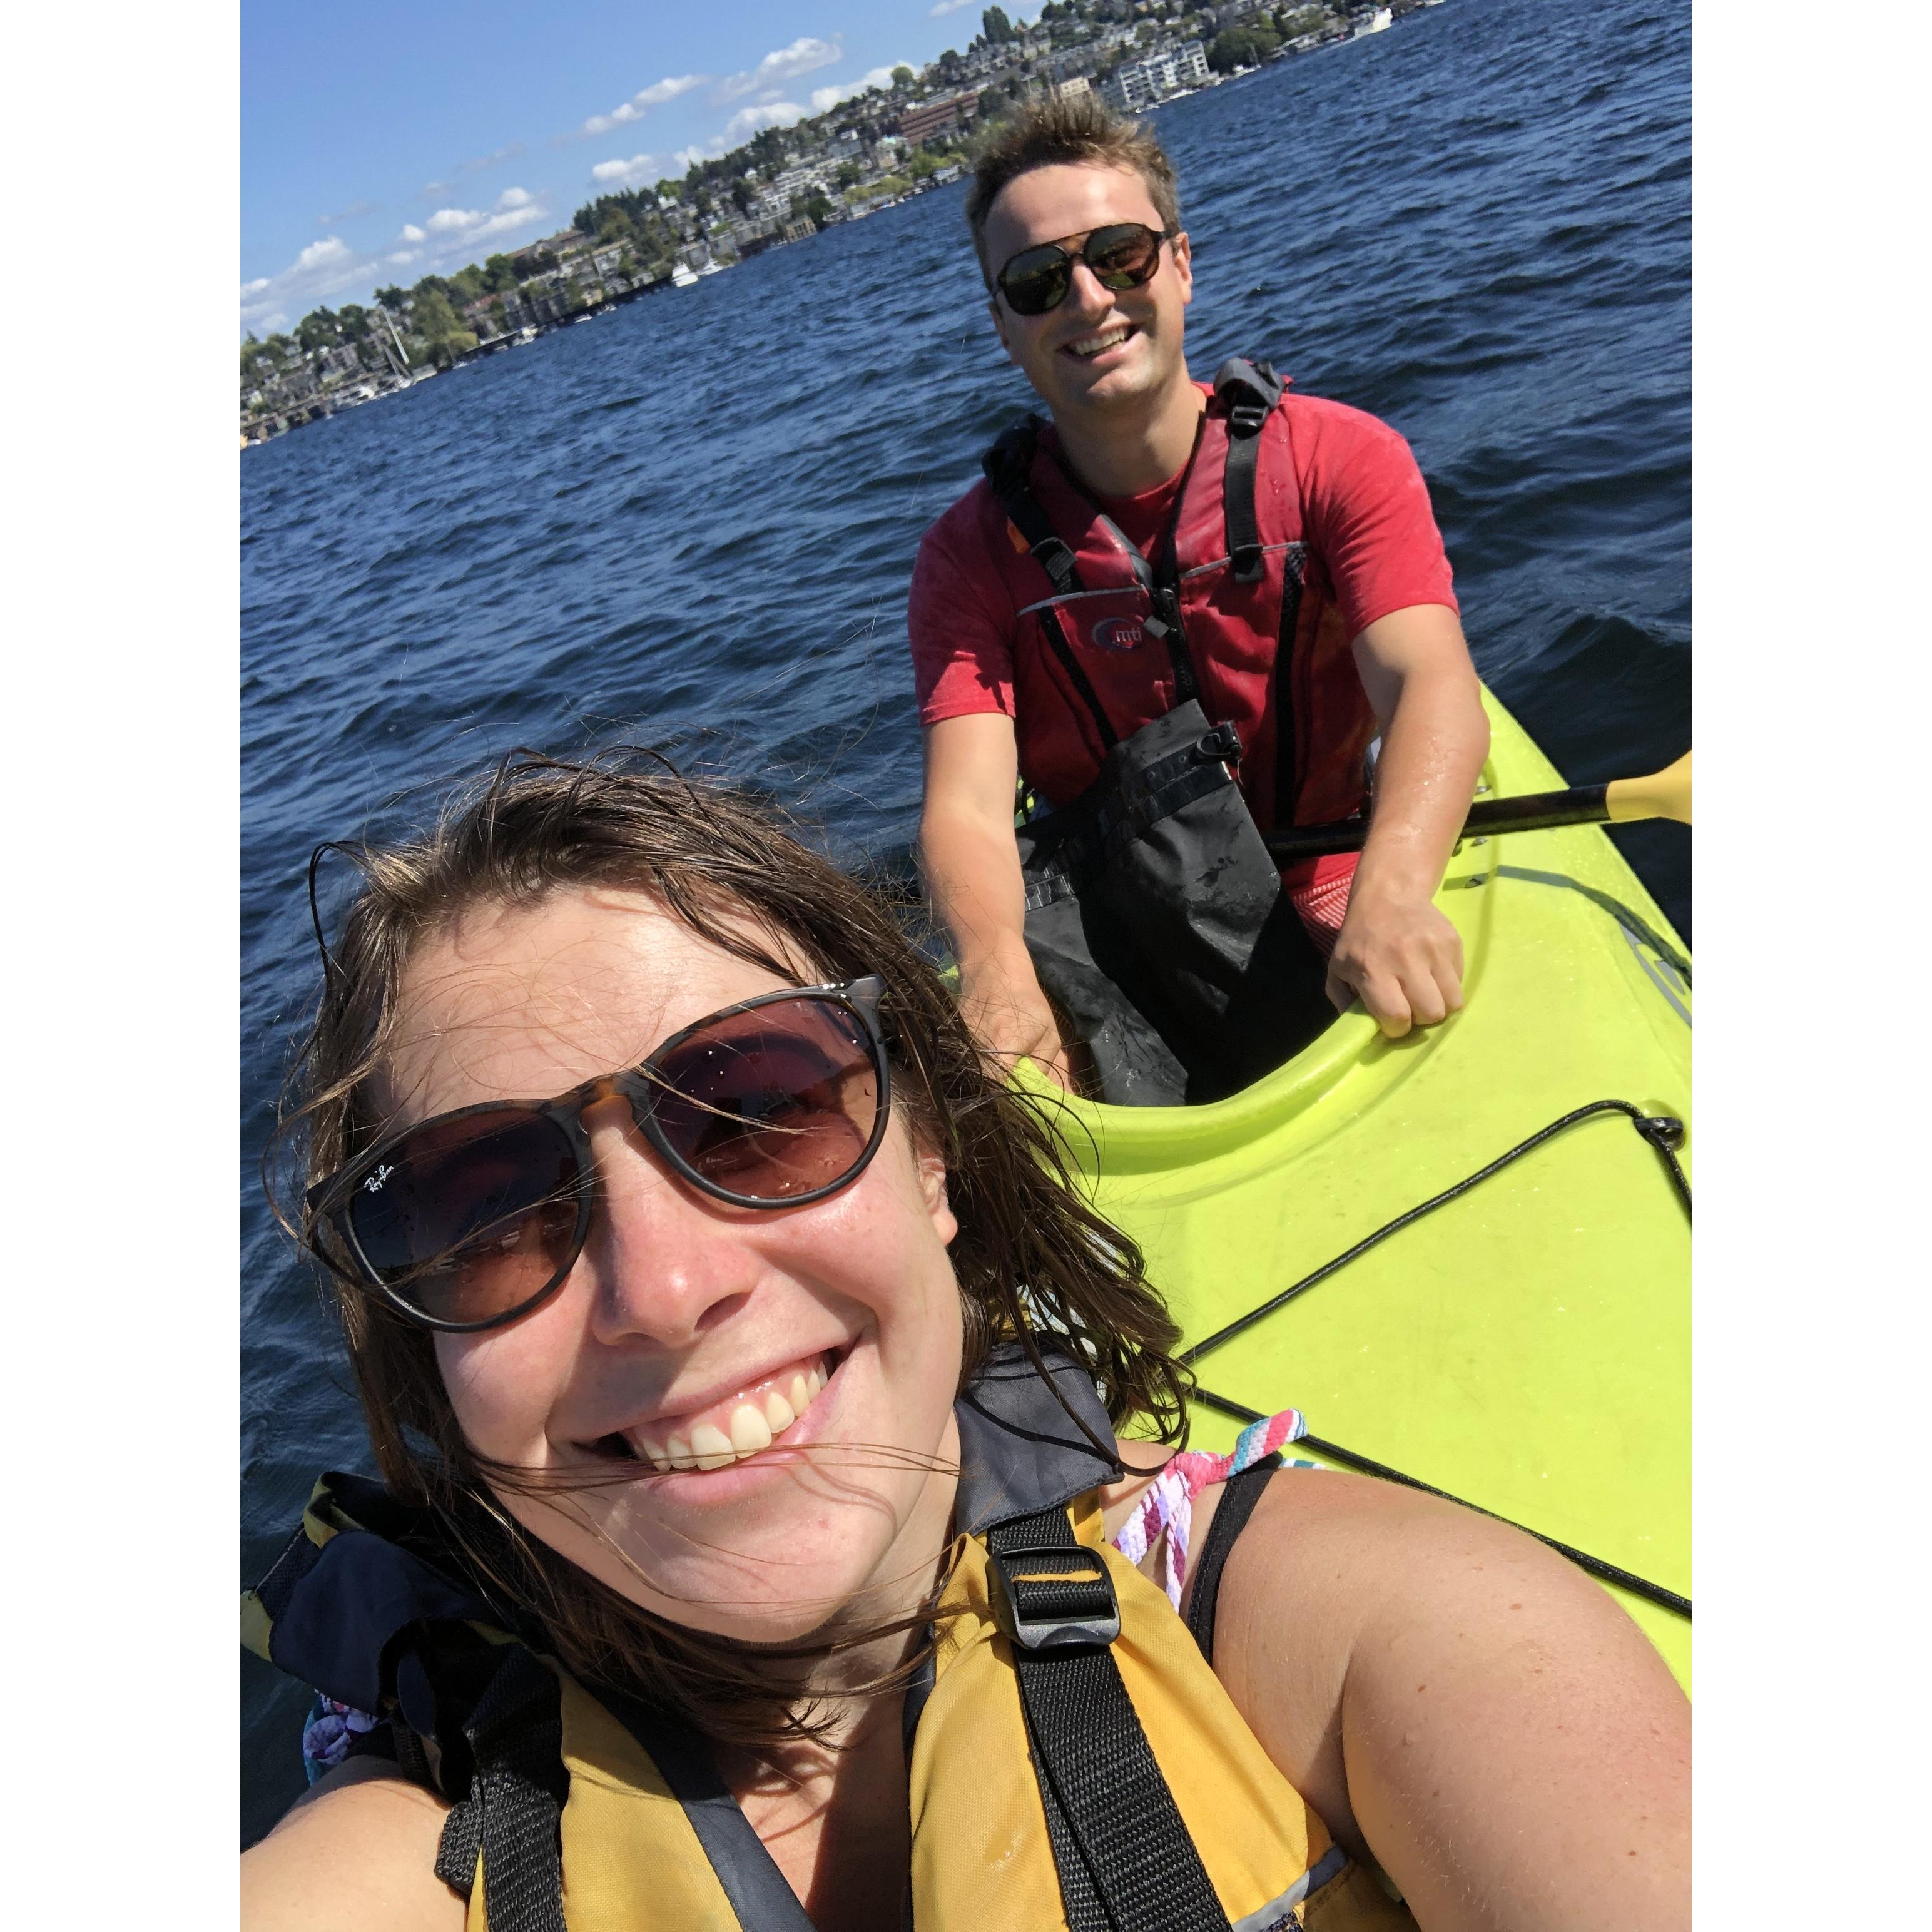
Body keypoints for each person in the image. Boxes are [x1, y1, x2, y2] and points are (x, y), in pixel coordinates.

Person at [241, 755, 1687, 1931]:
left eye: (758, 1109)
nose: (664, 1290)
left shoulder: (1363, 1634)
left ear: (928, 1155)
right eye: (485, 1208)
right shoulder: (413, 1847)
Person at [910, 96, 1492, 1091]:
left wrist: (1394, 890)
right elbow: (966, 803)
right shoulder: (965, 558)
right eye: (1038, 281)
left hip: (1339, 871)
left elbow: (1428, 682)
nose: (1088, 299)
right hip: (1121, 931)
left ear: (1180, 263)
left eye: (1120, 256)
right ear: (1004, 325)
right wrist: (997, 965)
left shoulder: (1340, 457)